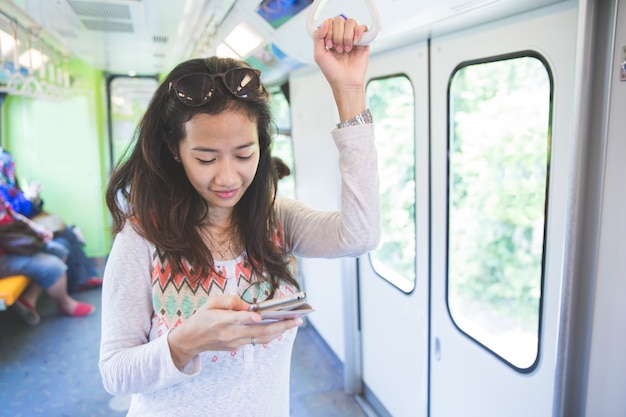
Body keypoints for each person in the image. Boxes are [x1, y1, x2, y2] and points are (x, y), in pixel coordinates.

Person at [99, 16, 379, 417]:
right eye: (206, 158)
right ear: (175, 150)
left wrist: (349, 93)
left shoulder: (275, 220)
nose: (228, 177)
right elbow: (114, 373)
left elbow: (361, 235)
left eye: (245, 154)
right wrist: (185, 343)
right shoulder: (143, 239)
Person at [0, 147, 102, 292]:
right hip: (19, 234)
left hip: (29, 226)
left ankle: (84, 277)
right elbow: (14, 213)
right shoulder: (2, 188)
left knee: (68, 232)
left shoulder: (11, 186)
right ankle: (76, 283)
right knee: (63, 243)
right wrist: (27, 198)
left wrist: (34, 199)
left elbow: (26, 209)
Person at [0, 200, 95, 325]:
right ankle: (65, 303)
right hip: (4, 255)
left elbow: (12, 213)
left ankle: (30, 299)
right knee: (53, 267)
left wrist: (37, 228)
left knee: (58, 250)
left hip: (9, 245)